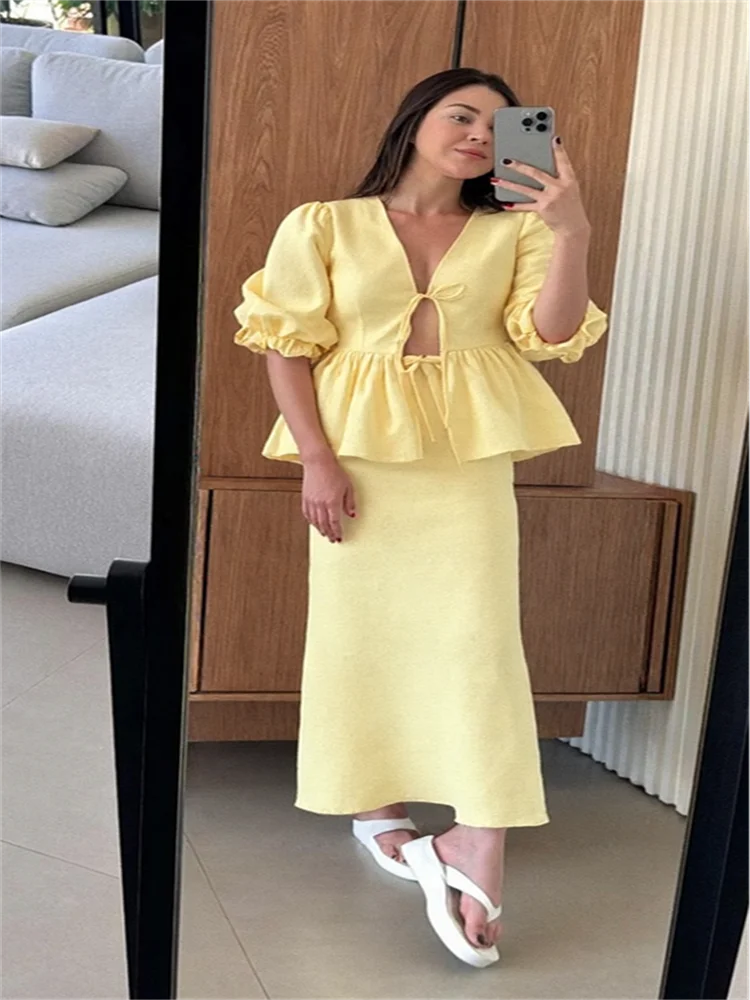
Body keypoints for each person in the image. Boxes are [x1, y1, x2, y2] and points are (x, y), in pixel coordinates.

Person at [233, 67, 608, 968]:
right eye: (460, 114)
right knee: (363, 635)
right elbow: (287, 344)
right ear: (415, 121)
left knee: (478, 641)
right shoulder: (322, 224)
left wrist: (572, 233)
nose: (479, 133)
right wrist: (316, 462)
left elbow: (551, 336)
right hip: (356, 460)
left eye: (497, 122)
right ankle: (375, 800)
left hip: (465, 466)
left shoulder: (515, 230)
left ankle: (478, 837)